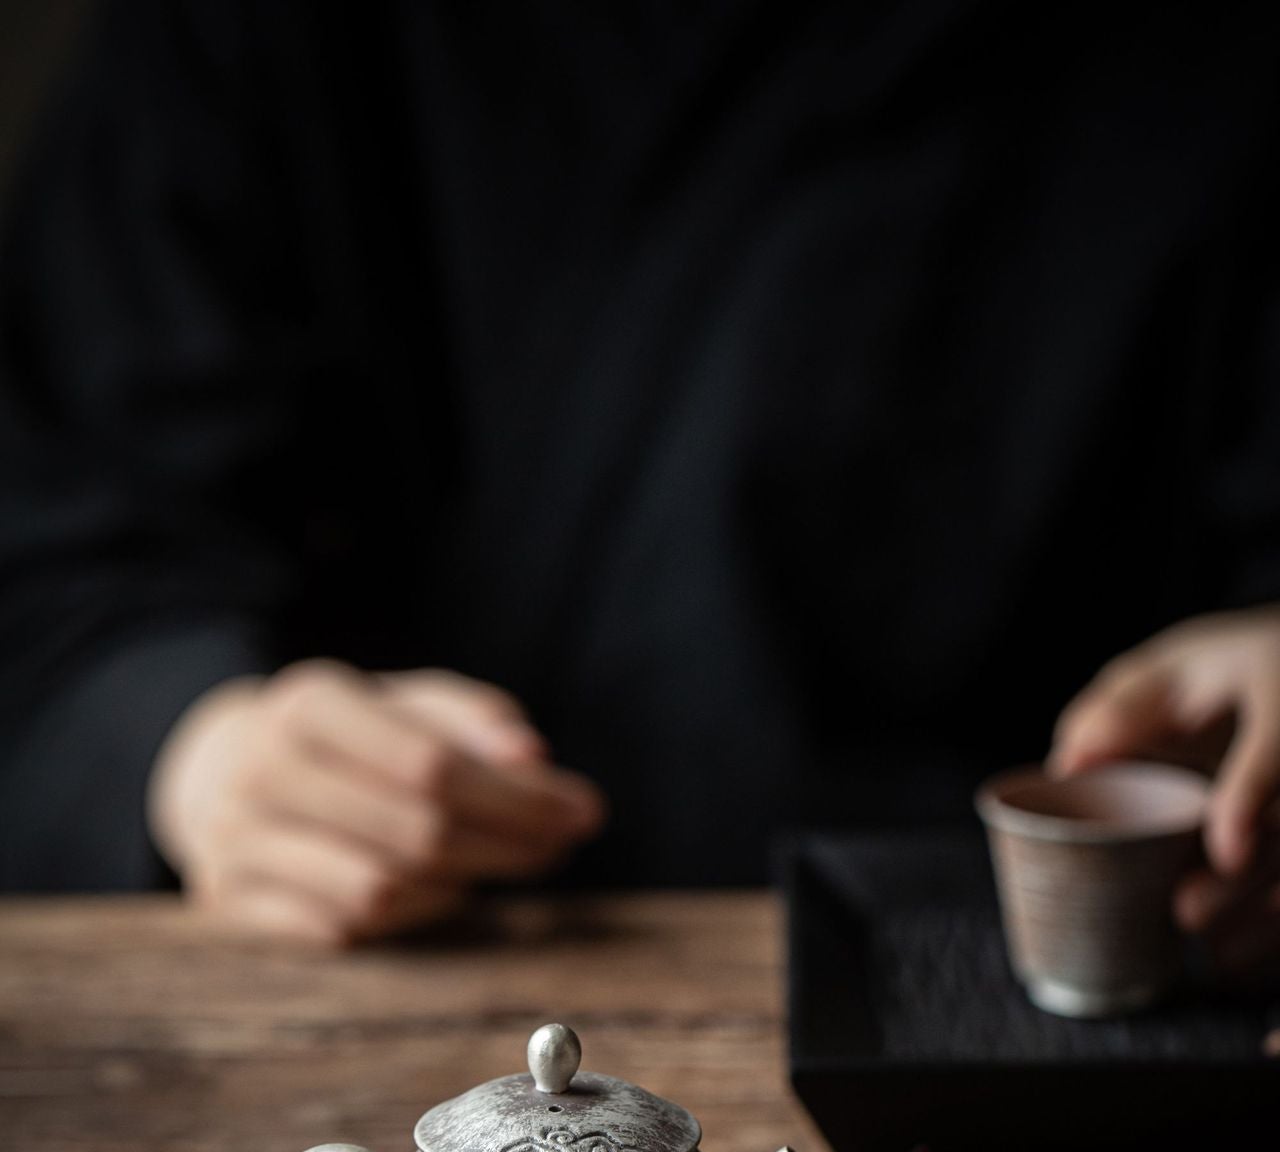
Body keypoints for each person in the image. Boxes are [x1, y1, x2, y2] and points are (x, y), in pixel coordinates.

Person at [1, 1, 1278, 978]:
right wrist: (194, 749)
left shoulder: (1204, 53)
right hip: (383, 975)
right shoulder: (255, 39)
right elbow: (48, 523)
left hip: (1030, 984)